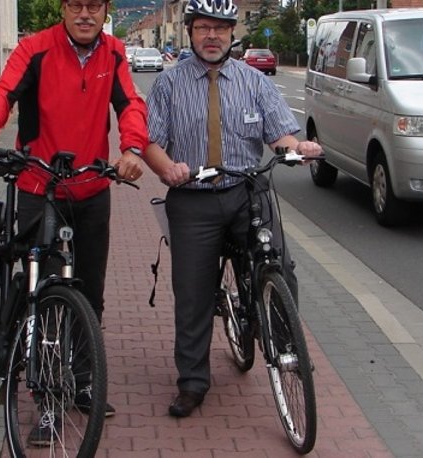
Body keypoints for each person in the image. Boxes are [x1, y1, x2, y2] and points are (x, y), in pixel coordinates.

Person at [0, 0, 148, 444]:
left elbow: (131, 105)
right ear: (64, 9)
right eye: (76, 4)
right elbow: (3, 93)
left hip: (90, 188)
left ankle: (83, 382)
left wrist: (132, 148)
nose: (85, 14)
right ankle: (47, 399)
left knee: (89, 293)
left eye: (94, 5)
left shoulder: (115, 52)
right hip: (38, 187)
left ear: (106, 11)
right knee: (44, 296)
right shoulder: (36, 49)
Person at [141, 0, 323, 418]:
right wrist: (167, 168)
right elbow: (149, 141)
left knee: (279, 264)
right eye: (203, 27)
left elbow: (281, 135)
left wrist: (299, 148)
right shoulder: (169, 85)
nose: (212, 36)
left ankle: (284, 344)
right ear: (190, 31)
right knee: (192, 294)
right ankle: (192, 382)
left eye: (220, 28)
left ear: (231, 32)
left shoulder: (254, 82)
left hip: (246, 191)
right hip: (192, 198)